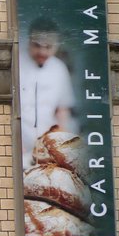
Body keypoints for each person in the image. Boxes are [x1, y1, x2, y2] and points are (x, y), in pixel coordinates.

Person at [19, 17, 74, 168]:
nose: (42, 51)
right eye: (37, 45)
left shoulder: (59, 69)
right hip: (18, 145)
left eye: (48, 47)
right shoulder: (16, 62)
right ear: (29, 41)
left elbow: (62, 110)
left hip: (46, 148)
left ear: (56, 46)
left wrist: (62, 147)